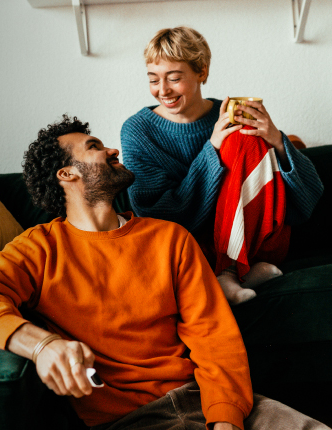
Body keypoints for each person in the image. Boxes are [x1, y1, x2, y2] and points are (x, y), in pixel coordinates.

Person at [0, 115, 328, 430]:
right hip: (130, 421)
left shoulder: (169, 238)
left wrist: (226, 420)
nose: (112, 149)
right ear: (67, 174)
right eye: (94, 146)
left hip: (214, 404)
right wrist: (42, 346)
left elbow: (215, 339)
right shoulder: (38, 248)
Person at [120, 27, 324, 304]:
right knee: (236, 136)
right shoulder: (137, 131)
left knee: (244, 134)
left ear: (201, 72)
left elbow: (311, 194)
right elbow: (156, 215)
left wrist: (276, 139)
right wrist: (213, 147)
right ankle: (231, 271)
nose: (163, 90)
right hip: (194, 247)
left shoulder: (229, 115)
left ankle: (235, 269)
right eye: (153, 79)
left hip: (260, 242)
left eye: (174, 78)